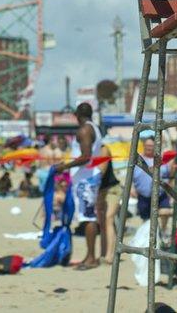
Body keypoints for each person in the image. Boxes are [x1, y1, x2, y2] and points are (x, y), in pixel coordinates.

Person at [53, 102, 103, 270]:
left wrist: (64, 167)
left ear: (76, 115)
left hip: (86, 179)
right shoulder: (94, 128)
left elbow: (86, 156)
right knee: (87, 216)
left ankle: (91, 258)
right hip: (88, 177)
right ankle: (90, 256)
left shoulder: (84, 130)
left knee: (88, 217)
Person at [132, 137, 173, 231]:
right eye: (146, 145)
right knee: (146, 219)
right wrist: (131, 189)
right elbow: (130, 177)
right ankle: (150, 234)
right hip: (143, 195)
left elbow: (169, 176)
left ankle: (163, 229)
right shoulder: (137, 160)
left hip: (160, 194)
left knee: (165, 212)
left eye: (150, 145)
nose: (148, 147)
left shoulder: (162, 160)